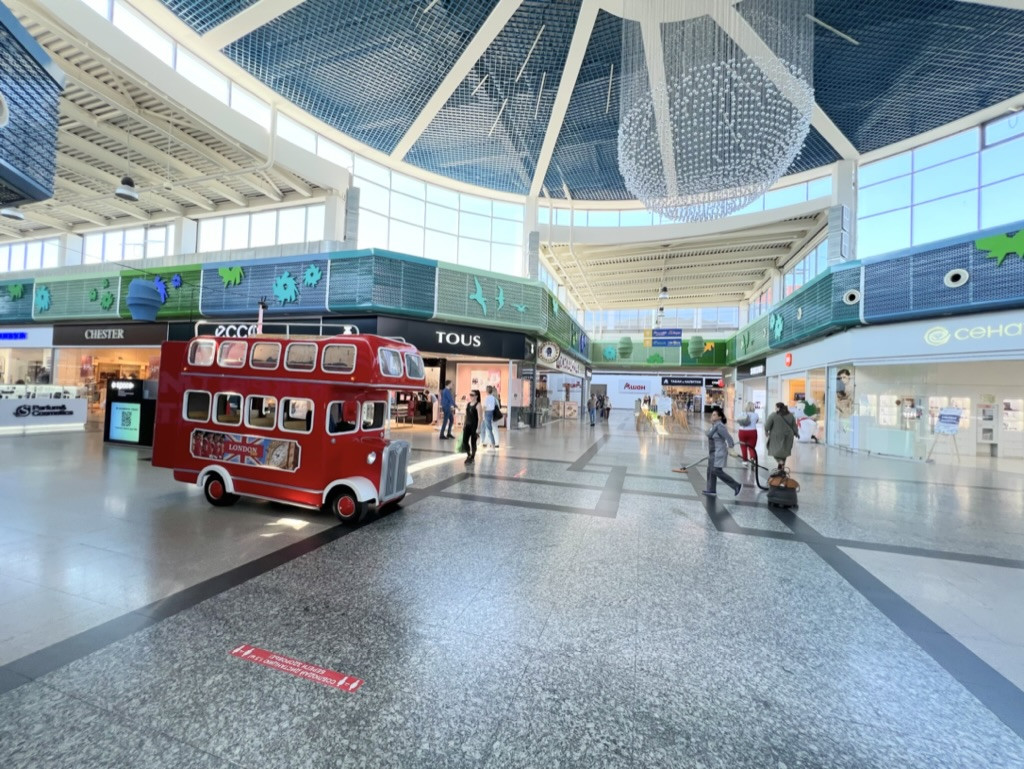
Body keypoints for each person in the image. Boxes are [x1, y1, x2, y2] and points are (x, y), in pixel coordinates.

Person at [704, 406, 741, 497]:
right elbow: (708, 434)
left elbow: (729, 438)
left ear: (719, 417)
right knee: (710, 470)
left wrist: (731, 448)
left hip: (719, 452)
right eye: (712, 414)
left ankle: (736, 485)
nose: (712, 416)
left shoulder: (720, 426)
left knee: (716, 470)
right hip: (713, 452)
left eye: (714, 415)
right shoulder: (714, 426)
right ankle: (711, 489)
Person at [765, 402, 798, 473]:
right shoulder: (790, 415)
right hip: (788, 436)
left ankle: (780, 462)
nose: (775, 408)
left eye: (776, 407)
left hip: (776, 436)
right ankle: (781, 468)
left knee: (773, 449)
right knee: (784, 452)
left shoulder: (773, 415)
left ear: (778, 408)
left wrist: (766, 431)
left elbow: (767, 425)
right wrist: (796, 433)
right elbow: (794, 425)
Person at [462, 389, 483, 464]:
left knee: (473, 442)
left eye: (472, 395)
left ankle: (472, 457)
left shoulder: (478, 405)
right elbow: (466, 415)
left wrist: (478, 428)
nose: (470, 396)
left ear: (476, 396)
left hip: (474, 426)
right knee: (464, 441)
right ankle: (469, 454)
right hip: (467, 425)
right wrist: (464, 424)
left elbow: (480, 418)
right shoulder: (468, 404)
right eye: (470, 395)